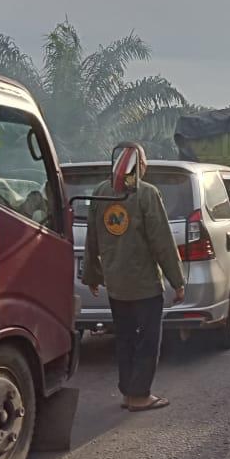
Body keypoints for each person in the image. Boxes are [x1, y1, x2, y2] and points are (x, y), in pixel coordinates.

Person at [81, 143, 185, 412]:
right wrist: (177, 281)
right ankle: (140, 395)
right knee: (148, 341)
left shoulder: (101, 192)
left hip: (116, 286)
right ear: (139, 166)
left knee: (125, 339)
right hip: (144, 285)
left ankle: (128, 392)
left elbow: (91, 238)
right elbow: (161, 241)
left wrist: (92, 275)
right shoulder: (146, 194)